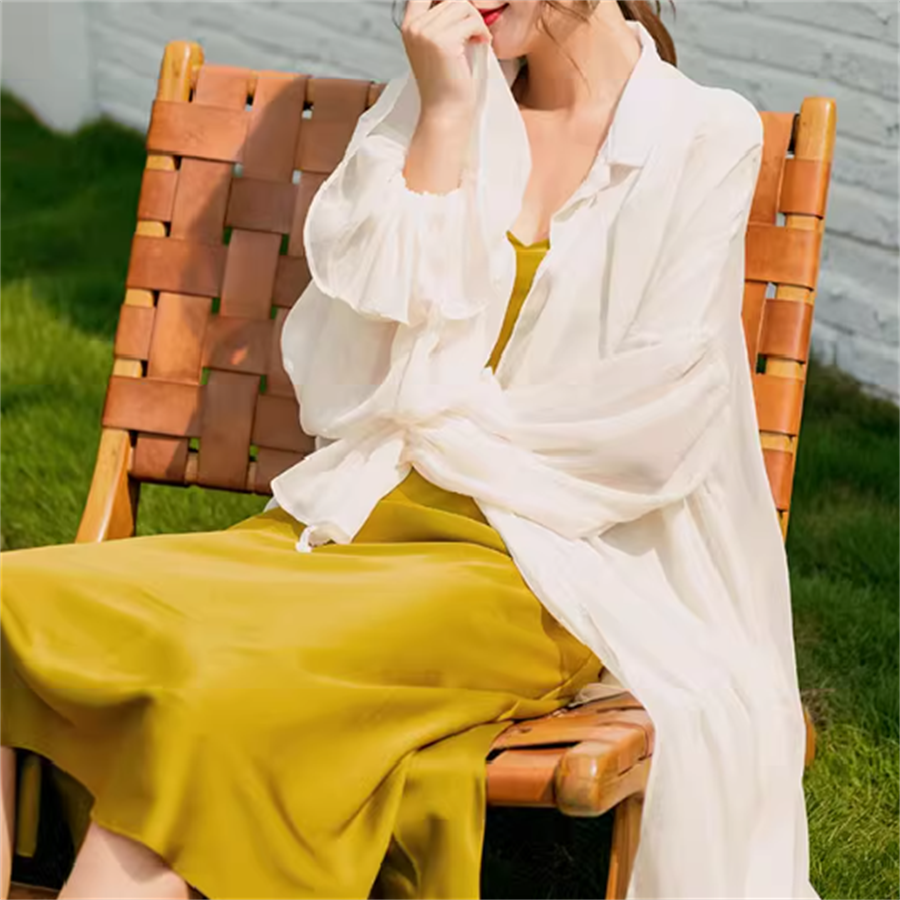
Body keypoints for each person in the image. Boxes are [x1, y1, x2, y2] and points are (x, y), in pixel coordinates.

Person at [0, 1, 819, 899]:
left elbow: (650, 429)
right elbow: (351, 359)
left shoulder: (702, 136)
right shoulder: (436, 97)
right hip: (351, 521)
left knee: (223, 695)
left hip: (541, 571)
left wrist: (437, 421)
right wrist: (444, 113)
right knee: (13, 597)